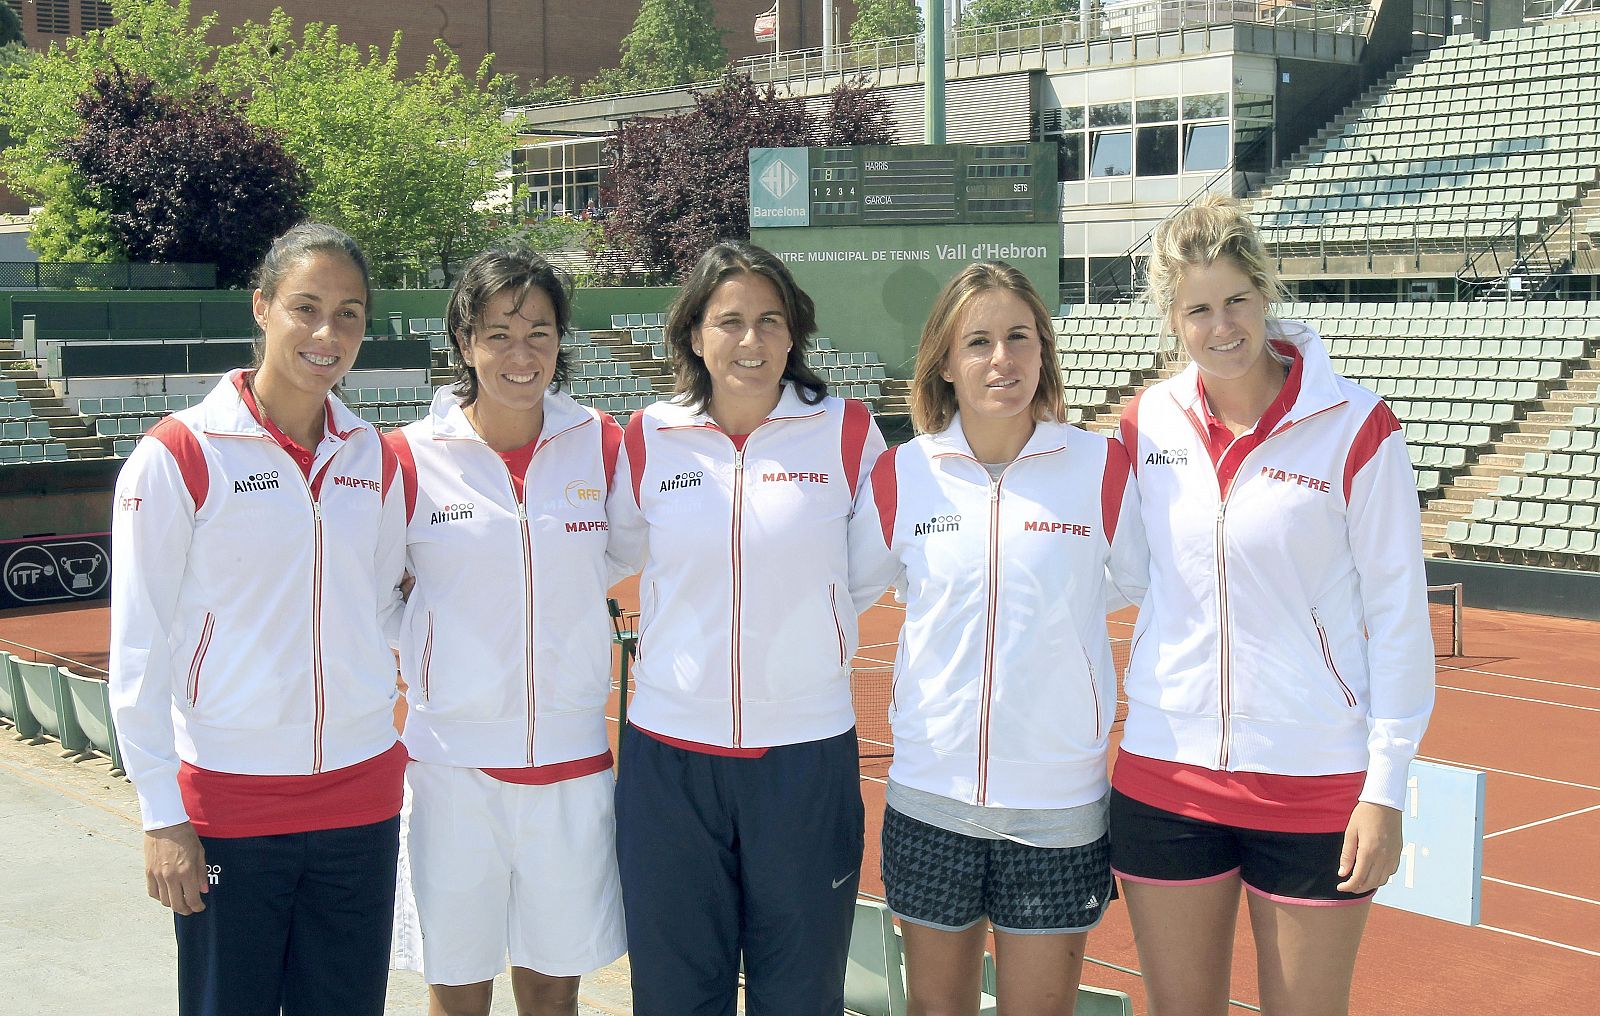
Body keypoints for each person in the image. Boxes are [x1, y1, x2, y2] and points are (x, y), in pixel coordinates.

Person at [1110, 194, 1435, 1016]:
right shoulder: (1145, 423)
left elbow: (1399, 613)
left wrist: (1386, 787)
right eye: (1197, 311)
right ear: (1171, 320)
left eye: (1236, 302)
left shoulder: (1357, 426)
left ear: (1265, 293)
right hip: (1166, 772)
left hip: (1316, 778)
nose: (1221, 327)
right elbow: (1118, 576)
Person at [109, 223, 408, 1016]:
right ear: (262, 308)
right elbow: (138, 646)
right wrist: (161, 815)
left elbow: (379, 608)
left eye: (349, 313)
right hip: (231, 801)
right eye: (306, 307)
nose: (327, 333)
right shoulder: (180, 454)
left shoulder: (372, 457)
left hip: (362, 797)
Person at [848, 262, 1146, 1015]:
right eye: (977, 342)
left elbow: (1149, 586)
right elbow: (840, 594)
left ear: (1043, 350)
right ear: (945, 363)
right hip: (931, 799)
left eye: (1018, 337)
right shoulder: (902, 475)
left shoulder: (1100, 468)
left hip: (1058, 806)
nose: (1000, 360)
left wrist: (1058, 602)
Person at [606, 240, 886, 1015]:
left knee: (798, 996)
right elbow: (609, 555)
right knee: (673, 996)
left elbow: (865, 572)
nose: (751, 341)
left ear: (794, 332)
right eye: (729, 321)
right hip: (669, 761)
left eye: (770, 320)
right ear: (695, 333)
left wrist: (807, 638)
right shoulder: (648, 437)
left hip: (803, 758)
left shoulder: (848, 433)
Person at [384, 248, 627, 1016]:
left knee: (554, 991)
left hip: (572, 763)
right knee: (457, 990)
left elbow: (629, 555)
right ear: (464, 340)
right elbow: (370, 592)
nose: (521, 355)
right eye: (498, 334)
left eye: (540, 333)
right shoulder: (407, 460)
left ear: (562, 341)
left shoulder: (606, 445)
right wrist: (432, 650)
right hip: (453, 773)